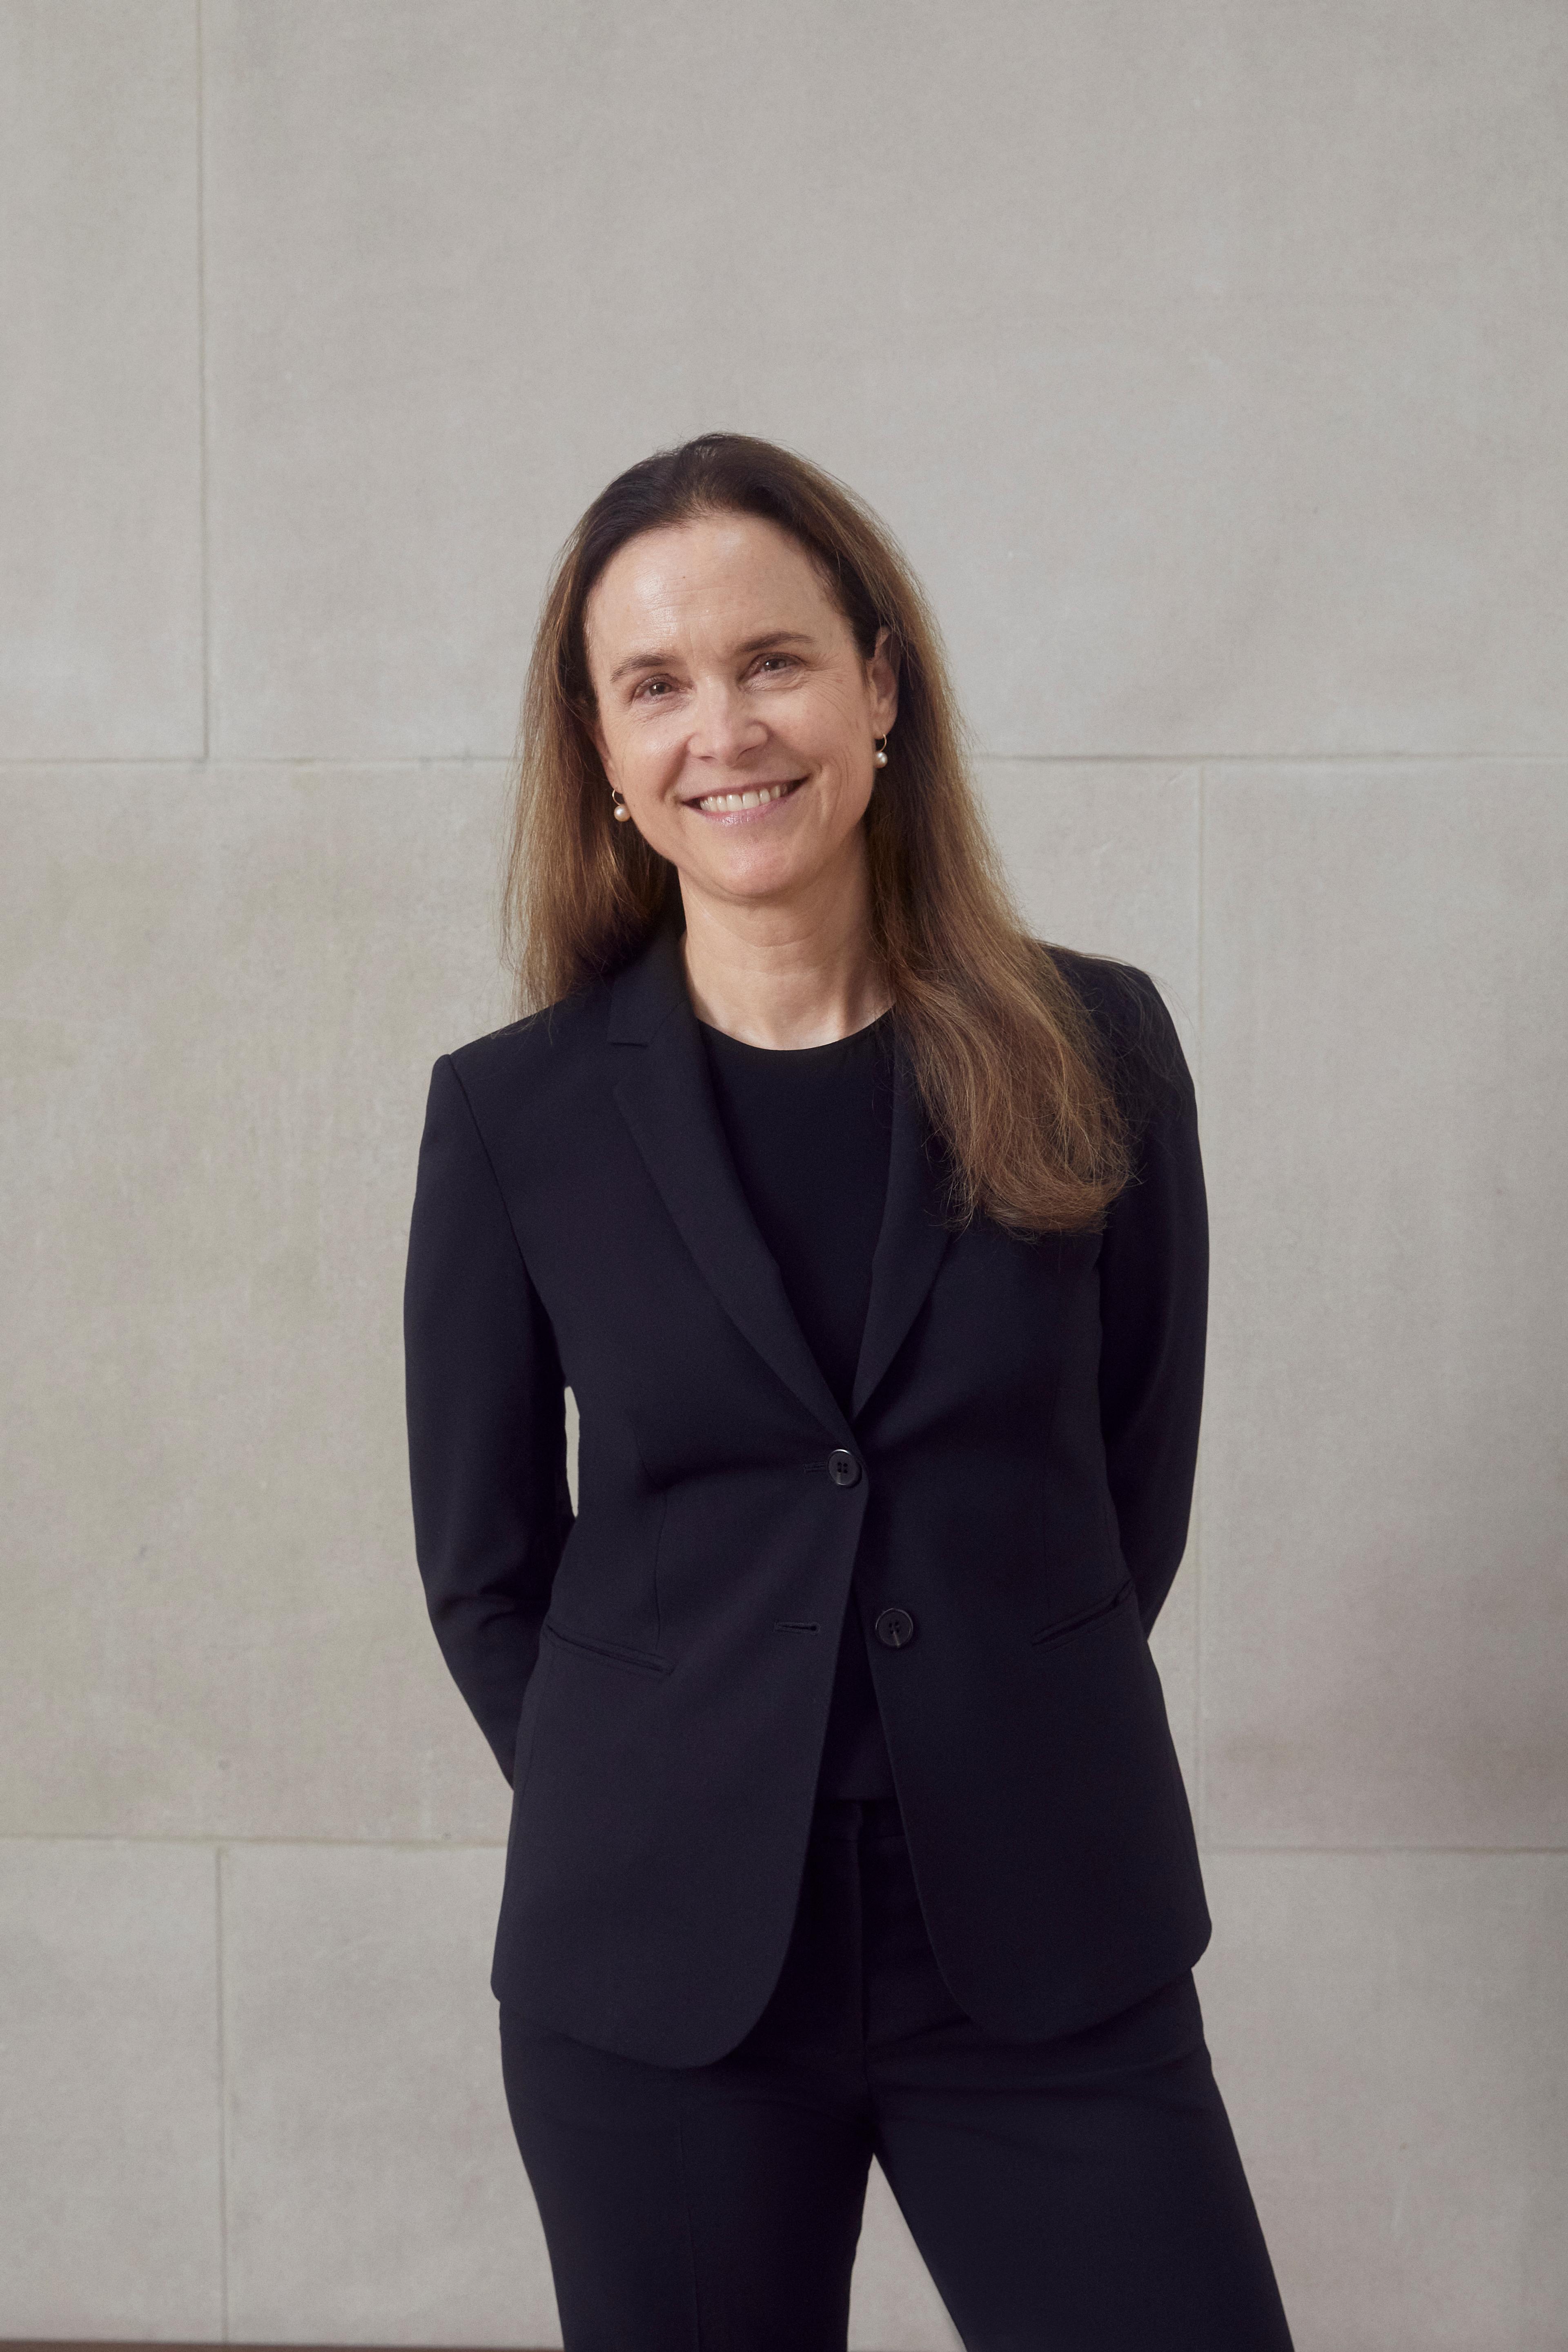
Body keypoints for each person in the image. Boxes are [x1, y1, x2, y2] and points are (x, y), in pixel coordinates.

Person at [403, 432, 1295, 2351]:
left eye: (775, 660)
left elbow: (1128, 1486)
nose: (725, 727)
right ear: (608, 757)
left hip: (1048, 1938)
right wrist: (667, 1794)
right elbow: (485, 1568)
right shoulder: (514, 1117)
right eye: (657, 684)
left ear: (879, 687)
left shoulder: (1098, 1046)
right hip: (659, 1979)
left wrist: (979, 1724)